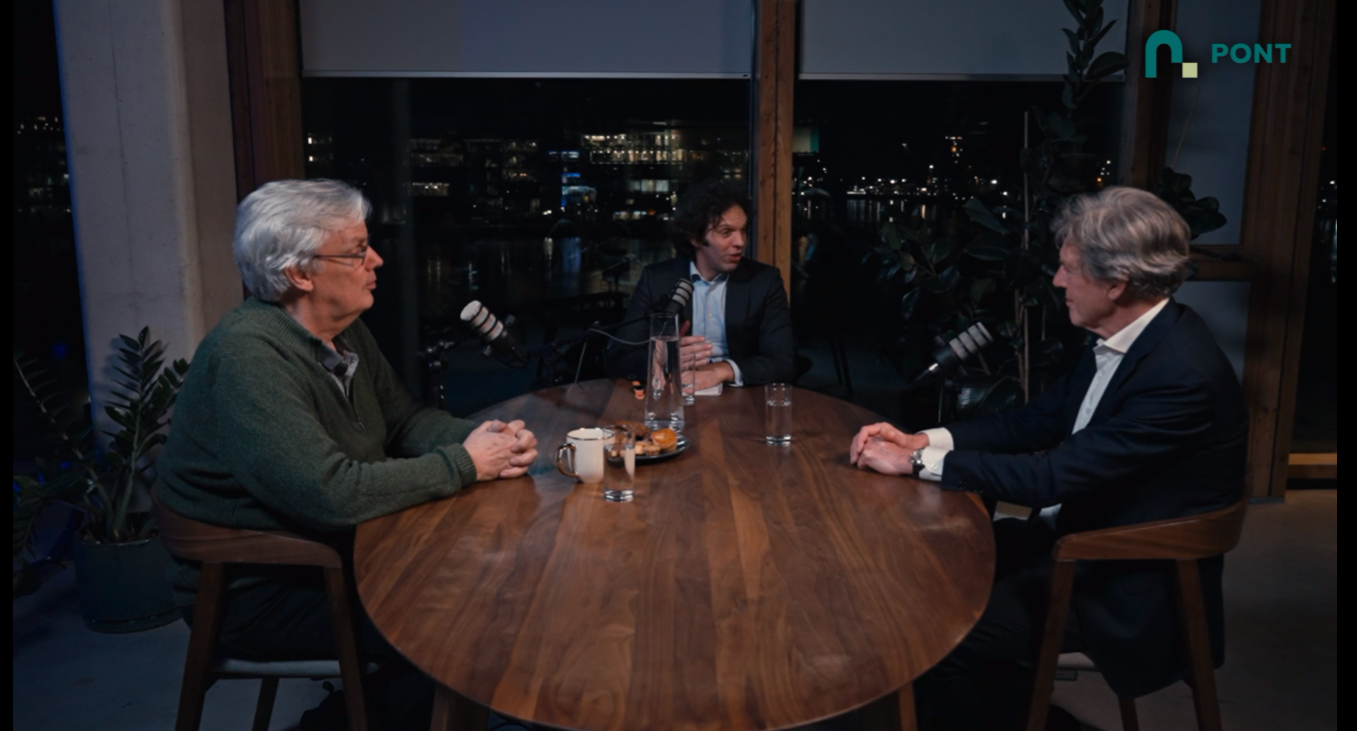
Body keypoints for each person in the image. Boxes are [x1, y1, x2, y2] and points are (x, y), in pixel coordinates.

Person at [849, 187, 1248, 731]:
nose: (1057, 282)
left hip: (1122, 578)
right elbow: (1035, 421)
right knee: (916, 569)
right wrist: (922, 441)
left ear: (1116, 283)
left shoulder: (1179, 374)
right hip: (1072, 539)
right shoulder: (1132, 336)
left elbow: (1051, 477)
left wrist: (914, 467)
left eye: (1068, 269)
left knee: (930, 636)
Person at [155, 179, 538, 730]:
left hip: (334, 554)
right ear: (299, 274)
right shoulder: (248, 357)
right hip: (259, 590)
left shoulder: (344, 330)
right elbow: (330, 494)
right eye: (358, 251)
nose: (377, 260)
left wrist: (484, 440)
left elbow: (404, 420)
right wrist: (465, 464)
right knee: (468, 621)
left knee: (492, 586)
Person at [605, 180, 795, 389]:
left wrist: (720, 371)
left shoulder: (764, 281)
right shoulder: (657, 279)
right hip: (674, 392)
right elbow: (618, 357)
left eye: (743, 230)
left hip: (743, 398)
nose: (740, 241)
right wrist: (657, 359)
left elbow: (784, 361)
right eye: (726, 232)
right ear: (695, 237)